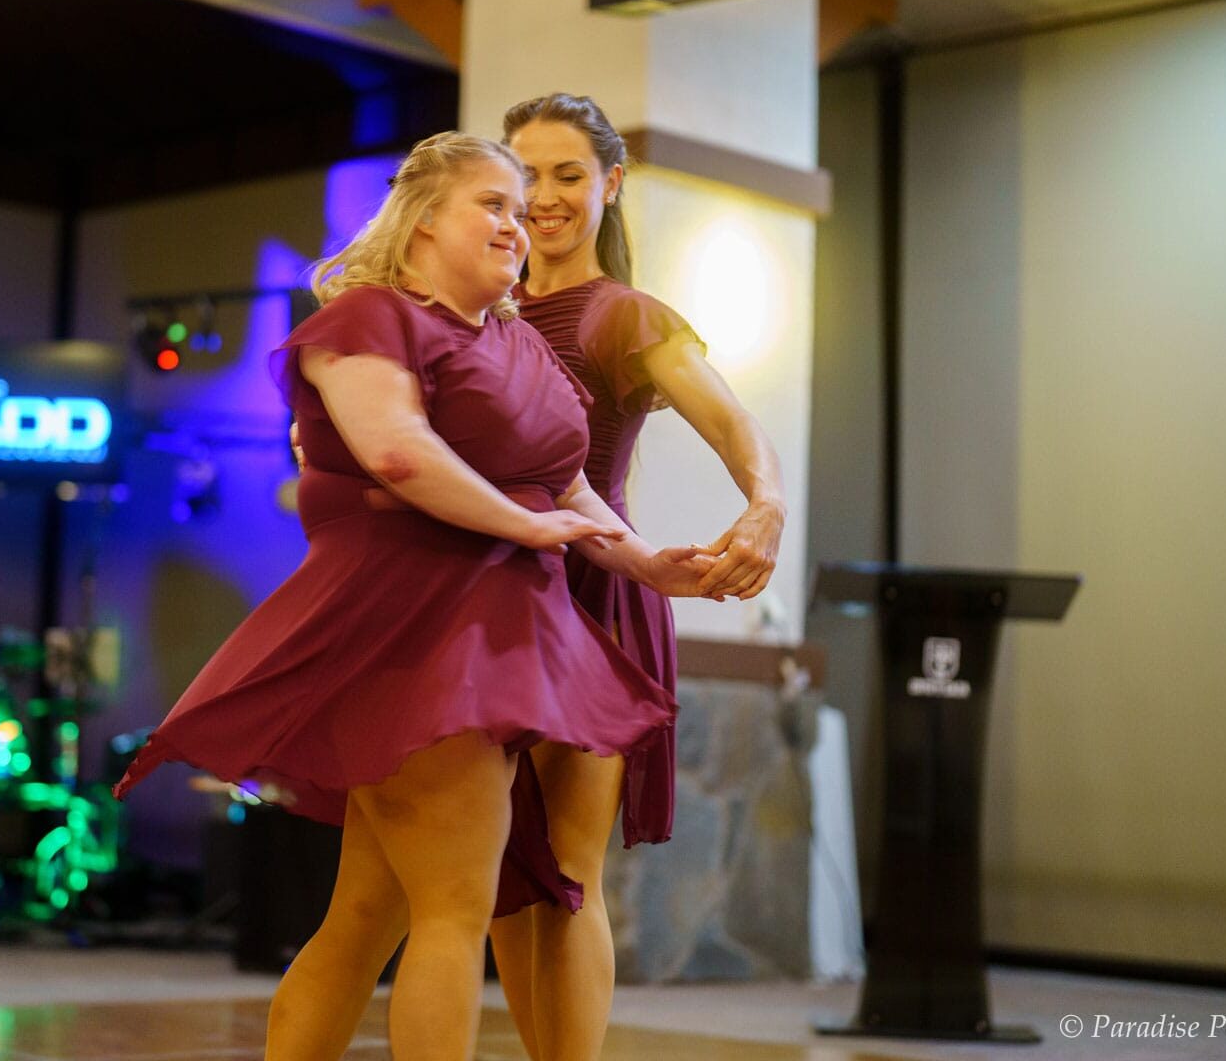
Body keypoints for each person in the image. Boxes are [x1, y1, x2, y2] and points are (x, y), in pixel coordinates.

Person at [112, 131, 711, 1061]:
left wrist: (644, 563)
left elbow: (566, 482)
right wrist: (525, 528)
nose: (518, 225)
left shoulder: (516, 342)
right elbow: (397, 451)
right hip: (416, 631)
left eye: (523, 211)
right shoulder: (371, 319)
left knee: (367, 914)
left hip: (515, 634)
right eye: (494, 204)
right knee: (453, 909)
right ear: (426, 216)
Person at [491, 93, 786, 1061]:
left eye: (568, 174)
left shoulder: (625, 315)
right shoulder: (479, 308)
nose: (543, 197)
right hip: (485, 607)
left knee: (567, 875)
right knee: (500, 878)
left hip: (592, 607)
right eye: (525, 173)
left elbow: (737, 425)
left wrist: (766, 502)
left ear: (610, 186)